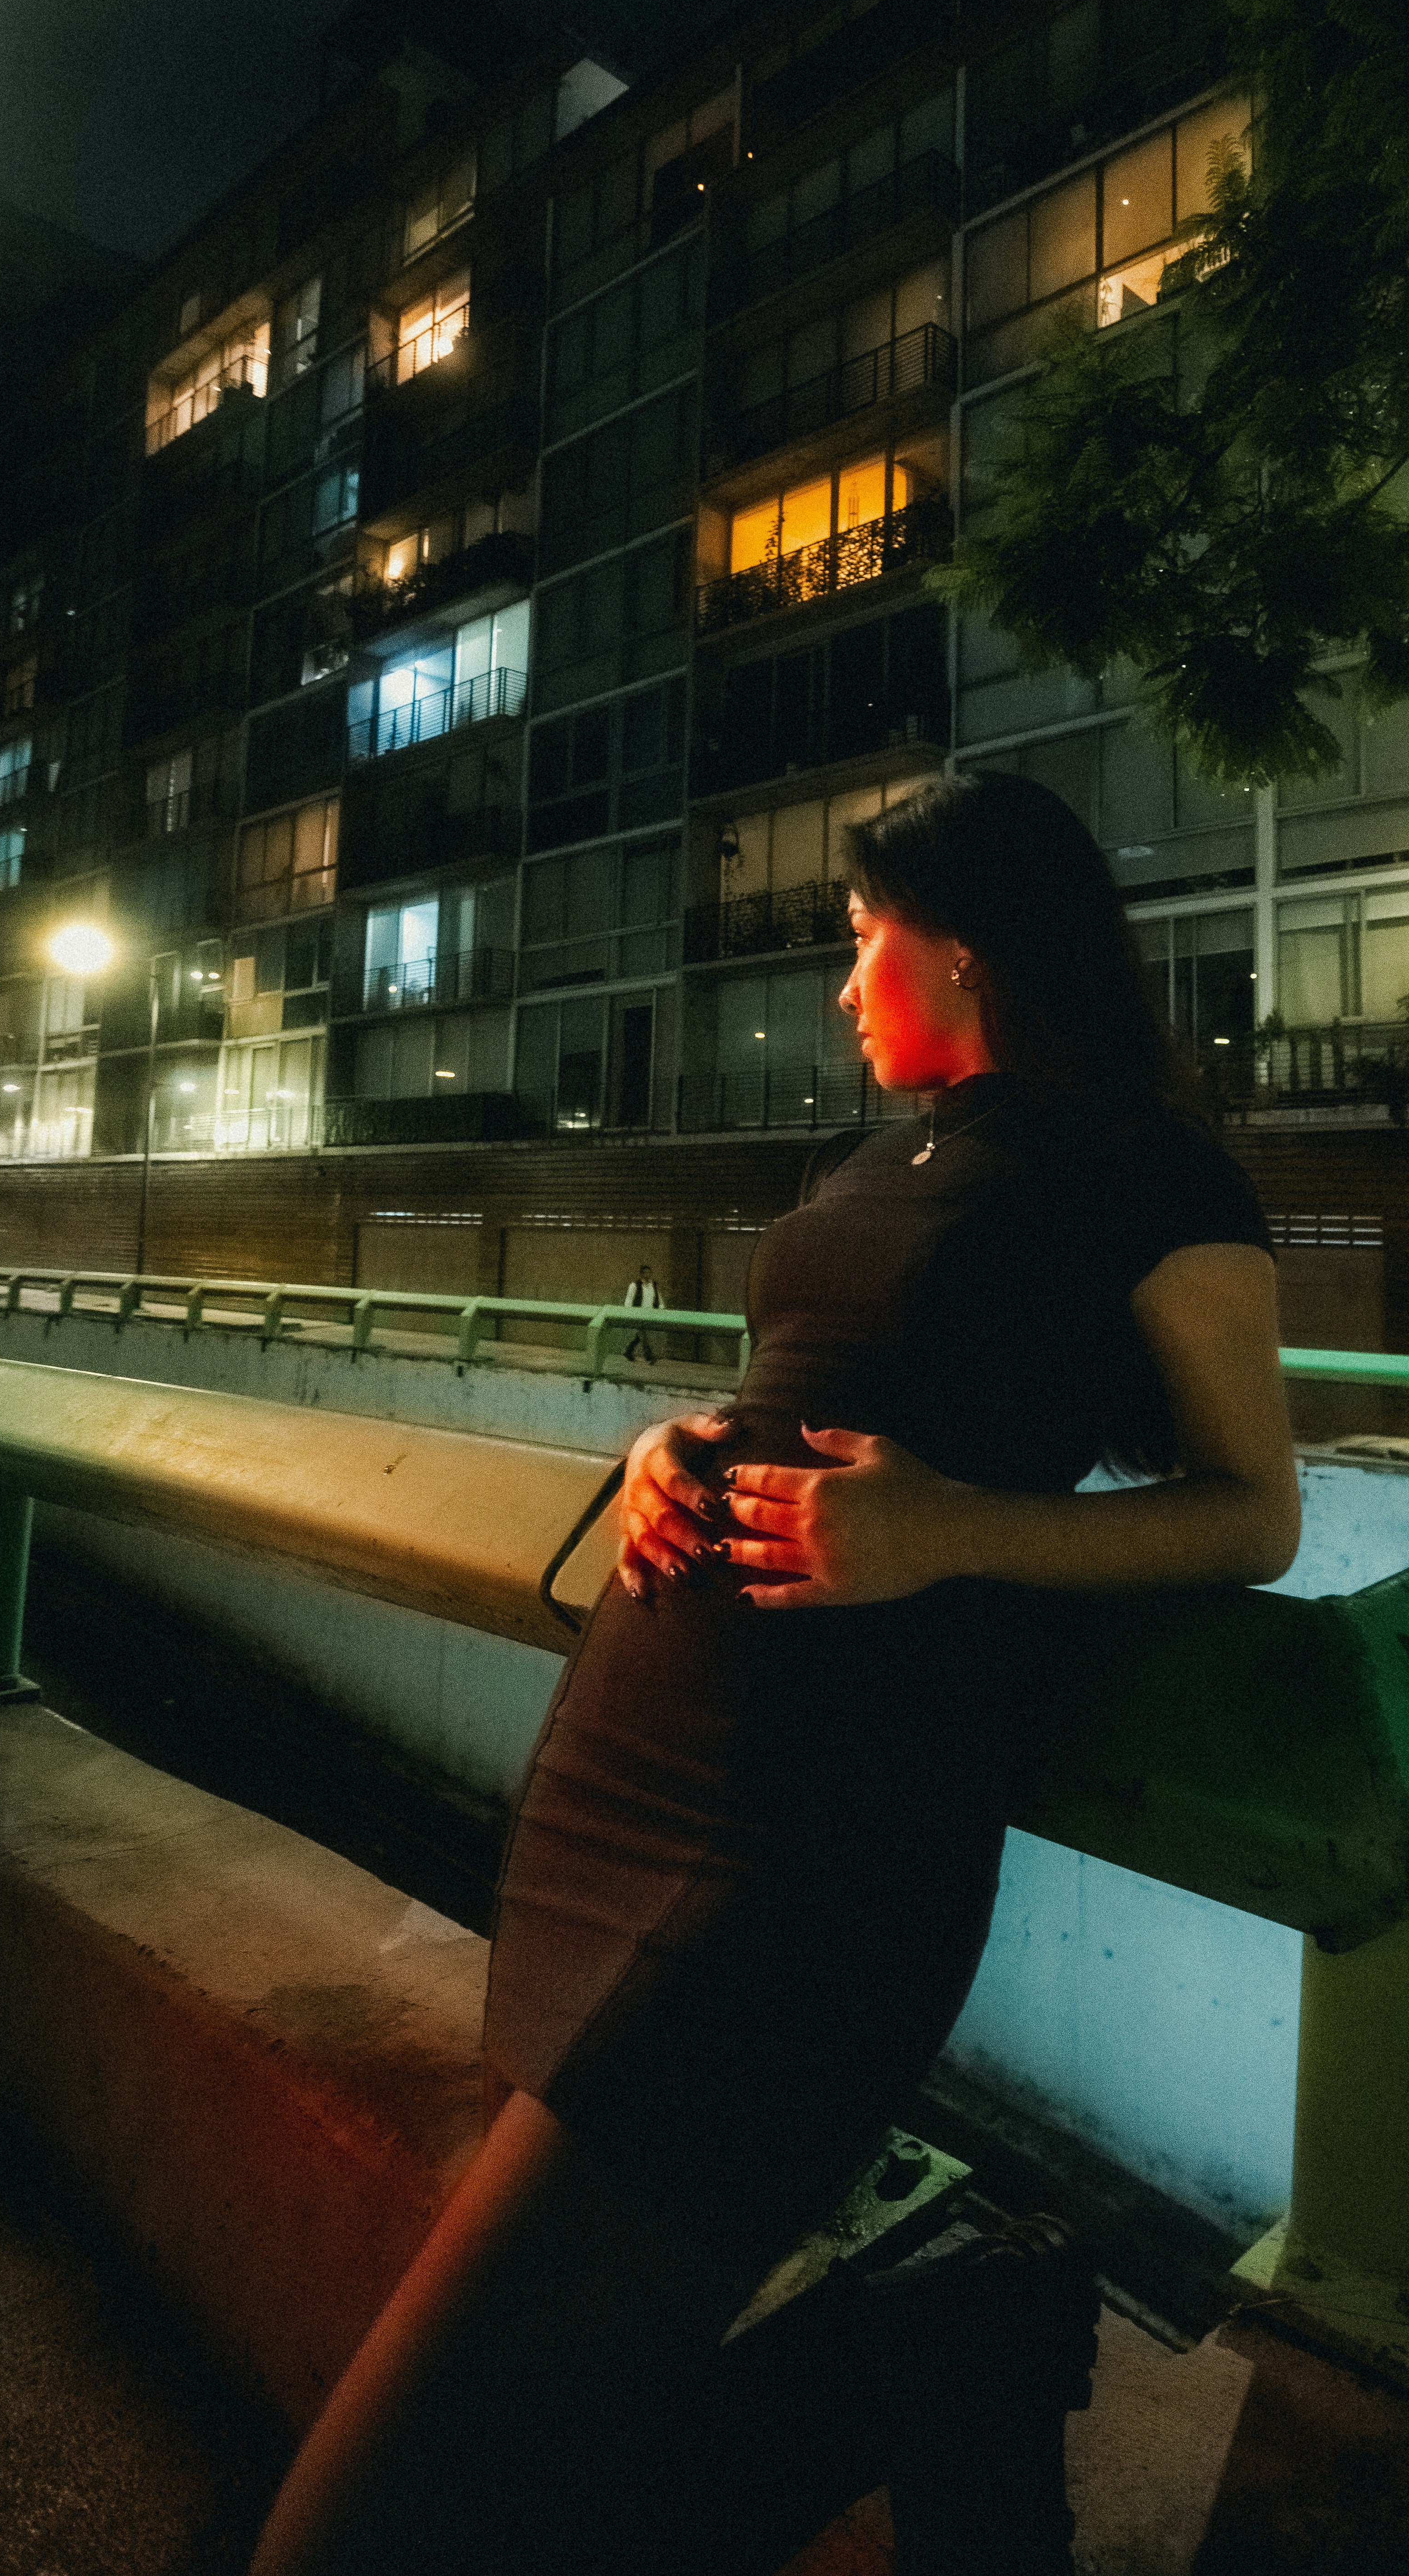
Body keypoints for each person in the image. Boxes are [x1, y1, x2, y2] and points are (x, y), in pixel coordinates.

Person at [249, 770, 1299, 2576]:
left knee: (376, 2514)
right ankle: (938, 2357)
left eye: (861, 936)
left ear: (958, 945)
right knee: (534, 2438)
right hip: (630, 1795)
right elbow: (831, 1369)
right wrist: (690, 1439)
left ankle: (935, 2357)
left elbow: (1251, 1514)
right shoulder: (883, 1154)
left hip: (809, 1860)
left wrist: (952, 1528)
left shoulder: (1150, 1173)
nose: (841, 983)